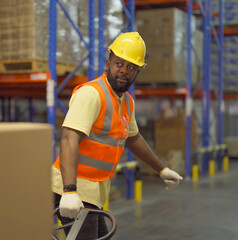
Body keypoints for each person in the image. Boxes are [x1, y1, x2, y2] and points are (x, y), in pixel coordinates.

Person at [52, 32, 183, 239]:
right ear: (107, 64)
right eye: (119, 63)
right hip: (74, 189)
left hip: (92, 192)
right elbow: (69, 138)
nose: (124, 70)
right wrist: (69, 191)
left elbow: (133, 138)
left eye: (131, 67)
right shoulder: (92, 94)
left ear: (138, 72)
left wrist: (162, 169)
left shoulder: (126, 102)